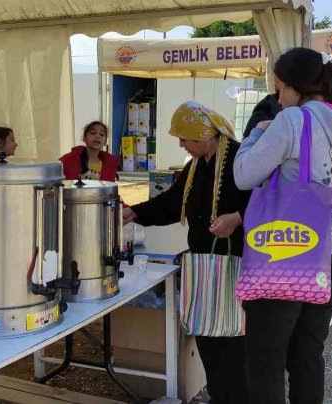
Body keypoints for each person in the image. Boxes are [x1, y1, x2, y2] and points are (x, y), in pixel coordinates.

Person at [233, 48, 332, 404]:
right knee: (308, 354)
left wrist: (255, 136)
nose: (278, 98)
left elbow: (244, 176)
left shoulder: (292, 121)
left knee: (266, 358)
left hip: (288, 251)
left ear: (296, 87)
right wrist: (331, 210)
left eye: (280, 89)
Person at [122, 102, 251, 404]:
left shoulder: (242, 159)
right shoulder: (198, 165)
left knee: (234, 342)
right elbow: (172, 203)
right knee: (207, 336)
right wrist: (135, 213)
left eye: (185, 137)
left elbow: (269, 200)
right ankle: (220, 396)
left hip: (237, 267)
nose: (181, 144)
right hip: (203, 267)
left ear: (204, 133)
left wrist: (238, 218)